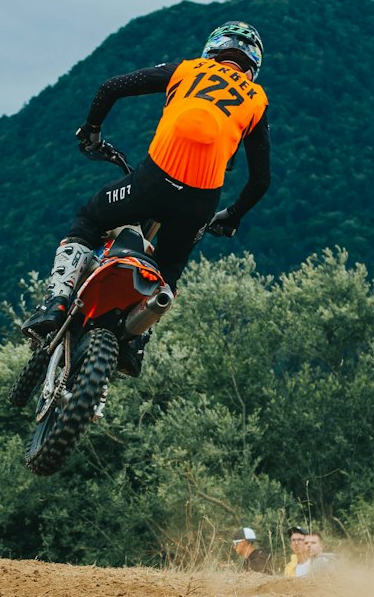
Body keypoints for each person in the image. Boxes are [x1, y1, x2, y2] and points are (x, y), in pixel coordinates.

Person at [22, 21, 271, 372]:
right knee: (168, 269)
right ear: (252, 66)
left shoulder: (188, 70)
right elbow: (261, 180)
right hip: (201, 202)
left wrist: (91, 132)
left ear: (212, 50)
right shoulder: (257, 100)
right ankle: (133, 343)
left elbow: (111, 87)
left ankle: (56, 302)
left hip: (153, 182)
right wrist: (233, 216)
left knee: (89, 218)